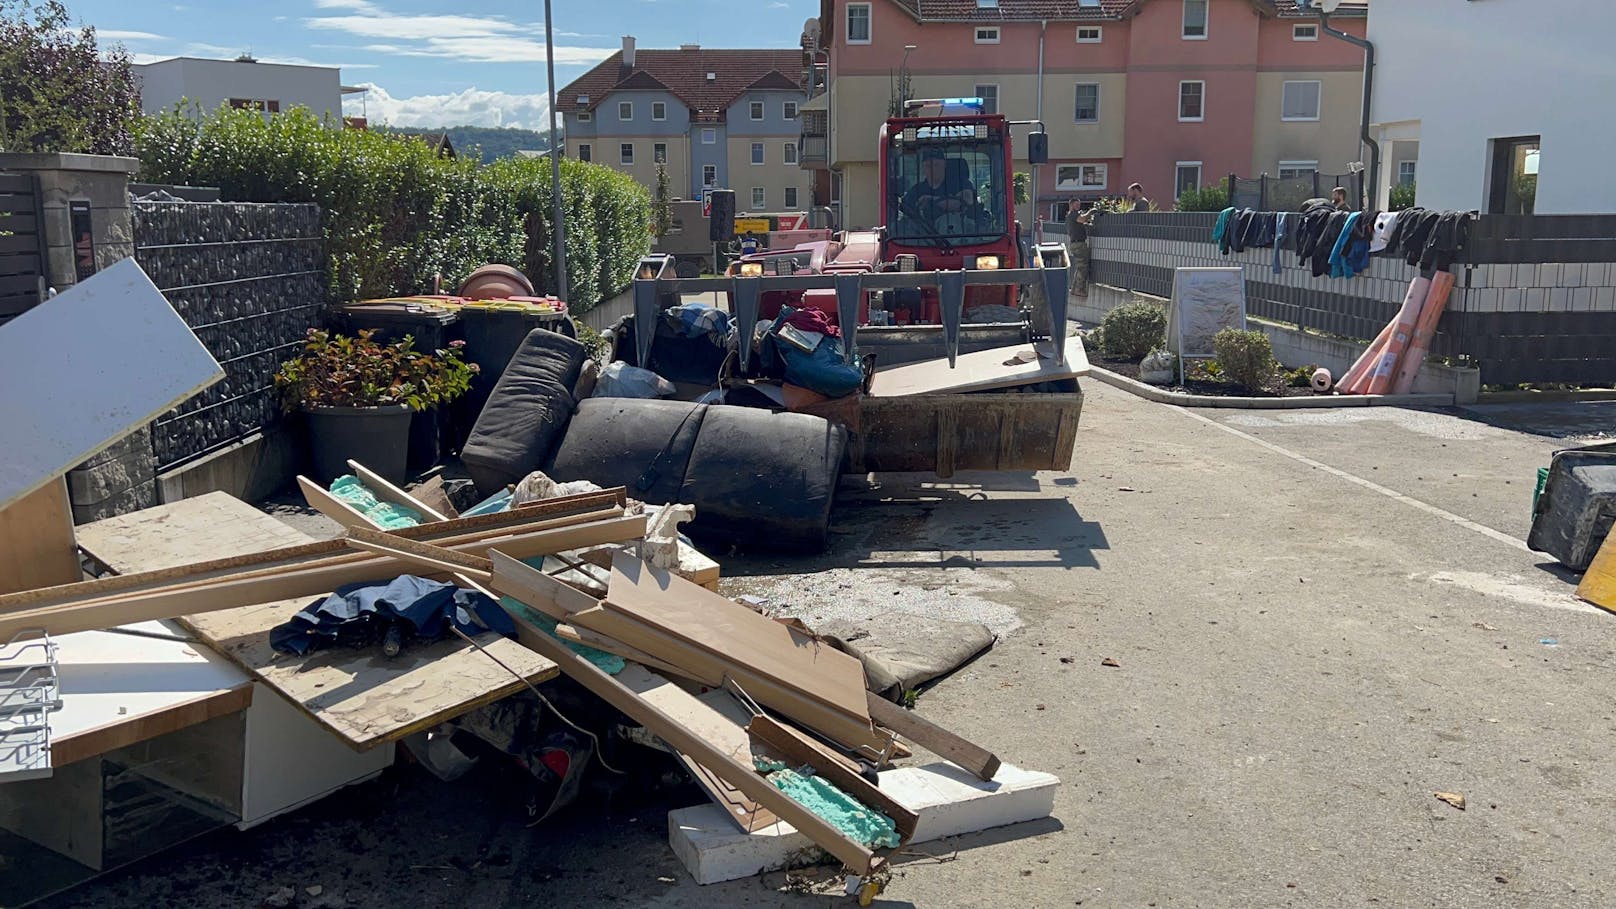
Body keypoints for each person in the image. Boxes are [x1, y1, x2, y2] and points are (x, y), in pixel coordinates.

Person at [901, 147, 976, 218]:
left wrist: (931, 201)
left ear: (945, 165)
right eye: (927, 166)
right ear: (923, 169)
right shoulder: (917, 190)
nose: (932, 169)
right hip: (922, 230)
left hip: (957, 229)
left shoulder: (960, 183)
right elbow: (904, 208)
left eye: (936, 165)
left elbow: (967, 200)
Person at [1064, 204, 1093, 298]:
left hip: (1074, 244)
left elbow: (1081, 222)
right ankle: (1079, 289)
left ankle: (1074, 289)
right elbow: (1082, 219)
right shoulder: (1073, 214)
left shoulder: (1070, 216)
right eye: (1077, 204)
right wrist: (1091, 211)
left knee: (1079, 267)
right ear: (1072, 205)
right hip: (1079, 244)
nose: (1078, 206)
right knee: (1083, 267)